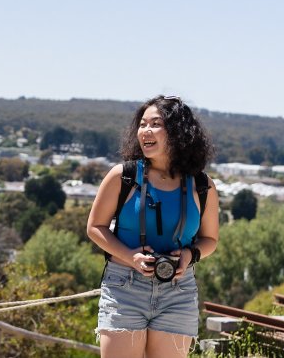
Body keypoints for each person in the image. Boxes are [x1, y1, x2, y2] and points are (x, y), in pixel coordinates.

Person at [86, 95, 219, 358]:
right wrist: (131, 257)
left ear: (178, 132)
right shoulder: (122, 176)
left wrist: (190, 255)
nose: (145, 131)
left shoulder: (202, 186)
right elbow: (95, 227)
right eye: (142, 124)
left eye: (155, 124)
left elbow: (210, 240)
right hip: (124, 287)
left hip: (178, 292)